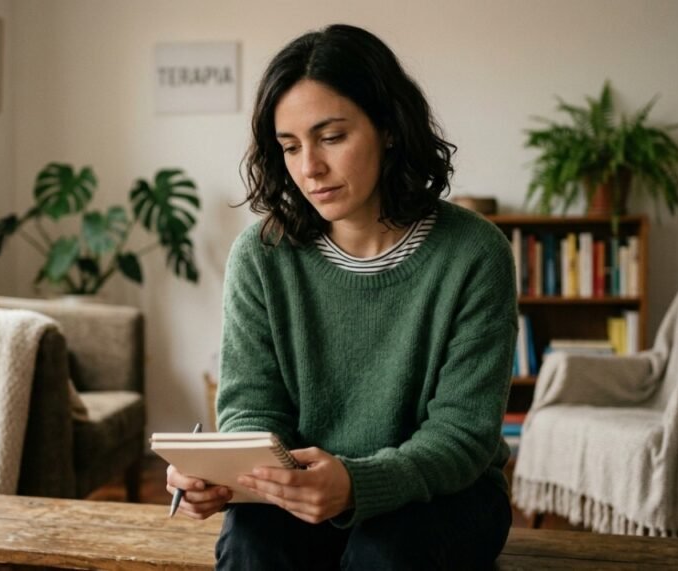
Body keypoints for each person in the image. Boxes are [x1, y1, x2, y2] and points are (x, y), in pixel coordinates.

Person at [166, 23, 517, 569]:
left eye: (331, 137)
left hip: (443, 493)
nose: (309, 168)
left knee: (384, 554)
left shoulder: (474, 253)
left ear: (389, 127)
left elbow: (462, 434)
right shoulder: (261, 256)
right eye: (290, 147)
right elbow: (252, 407)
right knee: (252, 547)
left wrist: (356, 483)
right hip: (302, 489)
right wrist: (227, 473)